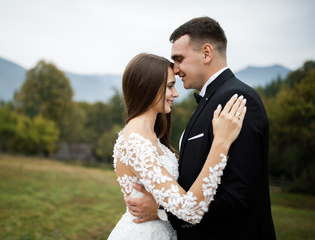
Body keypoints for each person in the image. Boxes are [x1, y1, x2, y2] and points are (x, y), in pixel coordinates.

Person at [125, 17, 277, 239]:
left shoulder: (237, 100)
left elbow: (238, 197)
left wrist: (163, 212)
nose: (175, 70)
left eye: (179, 59)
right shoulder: (208, 101)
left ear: (206, 53)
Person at [108, 53, 247, 240]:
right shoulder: (134, 143)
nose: (176, 94)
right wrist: (221, 143)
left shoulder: (151, 137)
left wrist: (158, 209)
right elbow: (190, 210)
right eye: (170, 86)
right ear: (148, 87)